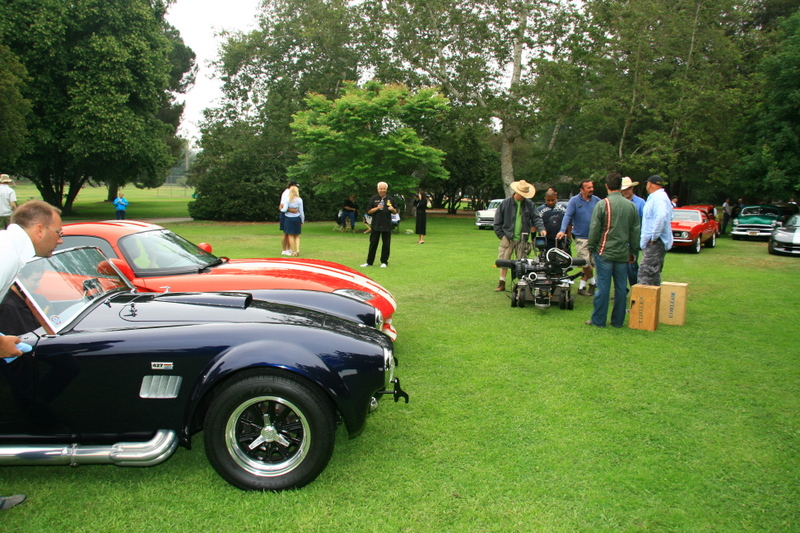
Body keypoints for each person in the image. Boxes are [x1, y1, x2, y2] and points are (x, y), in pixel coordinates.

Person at [0, 199, 64, 512]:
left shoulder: (10, 250)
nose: (60, 239)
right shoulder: (6, 255)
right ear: (39, 230)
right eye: (58, 232)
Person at [585, 173, 641, 328]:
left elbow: (595, 228)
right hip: (623, 253)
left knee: (603, 288)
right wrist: (633, 251)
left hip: (604, 252)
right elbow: (635, 231)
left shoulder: (603, 204)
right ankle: (617, 321)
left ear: (607, 186)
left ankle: (599, 320)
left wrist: (591, 246)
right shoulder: (631, 206)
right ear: (621, 186)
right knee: (621, 288)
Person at [492, 180, 546, 292]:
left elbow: (536, 218)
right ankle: (502, 283)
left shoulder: (529, 204)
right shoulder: (505, 203)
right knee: (504, 261)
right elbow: (497, 222)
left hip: (523, 238)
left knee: (522, 263)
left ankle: (521, 284)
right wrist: (502, 236)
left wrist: (541, 229)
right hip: (507, 238)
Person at [556, 179, 600, 296]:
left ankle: (582, 287)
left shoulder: (597, 201)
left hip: (595, 238)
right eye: (588, 188)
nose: (591, 189)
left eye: (592, 187)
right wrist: (562, 230)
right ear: (582, 190)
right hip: (581, 237)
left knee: (592, 264)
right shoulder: (574, 201)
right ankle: (593, 282)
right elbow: (568, 216)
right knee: (585, 263)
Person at [638, 175, 673, 286]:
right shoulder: (659, 197)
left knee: (646, 273)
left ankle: (645, 296)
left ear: (649, 184)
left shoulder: (659, 198)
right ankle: (654, 295)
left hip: (655, 242)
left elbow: (661, 216)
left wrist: (654, 237)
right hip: (654, 241)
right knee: (653, 274)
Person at [361, 182, 397, 268]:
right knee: (373, 244)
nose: (382, 190)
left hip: (386, 225)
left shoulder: (390, 199)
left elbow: (395, 211)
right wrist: (377, 208)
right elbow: (369, 211)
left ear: (386, 189)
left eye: (384, 188)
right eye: (381, 188)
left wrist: (392, 209)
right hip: (375, 225)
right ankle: (369, 262)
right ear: (378, 189)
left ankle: (384, 262)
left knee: (386, 244)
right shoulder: (373, 199)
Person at [620, 177, 645, 286]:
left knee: (632, 268)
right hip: (621, 241)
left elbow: (643, 222)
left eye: (628, 189)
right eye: (623, 189)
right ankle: (622, 291)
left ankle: (635, 289)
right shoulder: (619, 203)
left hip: (633, 241)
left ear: (632, 188)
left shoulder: (640, 203)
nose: (626, 191)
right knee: (620, 269)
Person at [280, 185, 304, 256]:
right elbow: (301, 211)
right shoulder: (299, 200)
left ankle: (292, 251)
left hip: (289, 218)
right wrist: (302, 220)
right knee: (297, 236)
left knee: (290, 235)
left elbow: (284, 209)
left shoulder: (287, 199)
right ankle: (298, 250)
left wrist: (282, 208)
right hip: (297, 218)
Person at [279, 180, 299, 256]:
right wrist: (291, 210)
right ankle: (285, 250)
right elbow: (282, 206)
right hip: (285, 214)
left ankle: (289, 249)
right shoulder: (287, 193)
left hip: (290, 215)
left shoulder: (291, 193)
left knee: (289, 233)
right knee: (286, 232)